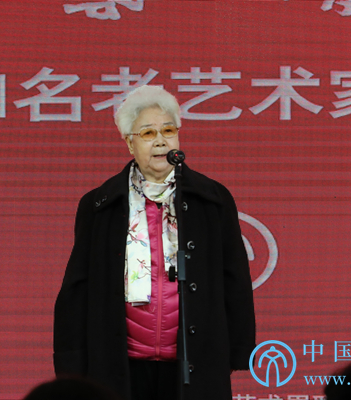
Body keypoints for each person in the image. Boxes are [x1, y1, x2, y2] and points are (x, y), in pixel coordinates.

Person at [53, 85, 256, 400]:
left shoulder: (211, 199)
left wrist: (238, 348)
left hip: (193, 359)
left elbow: (235, 277)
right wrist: (72, 357)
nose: (161, 141)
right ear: (129, 143)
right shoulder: (100, 204)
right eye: (148, 133)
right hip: (122, 362)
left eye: (168, 130)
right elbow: (77, 287)